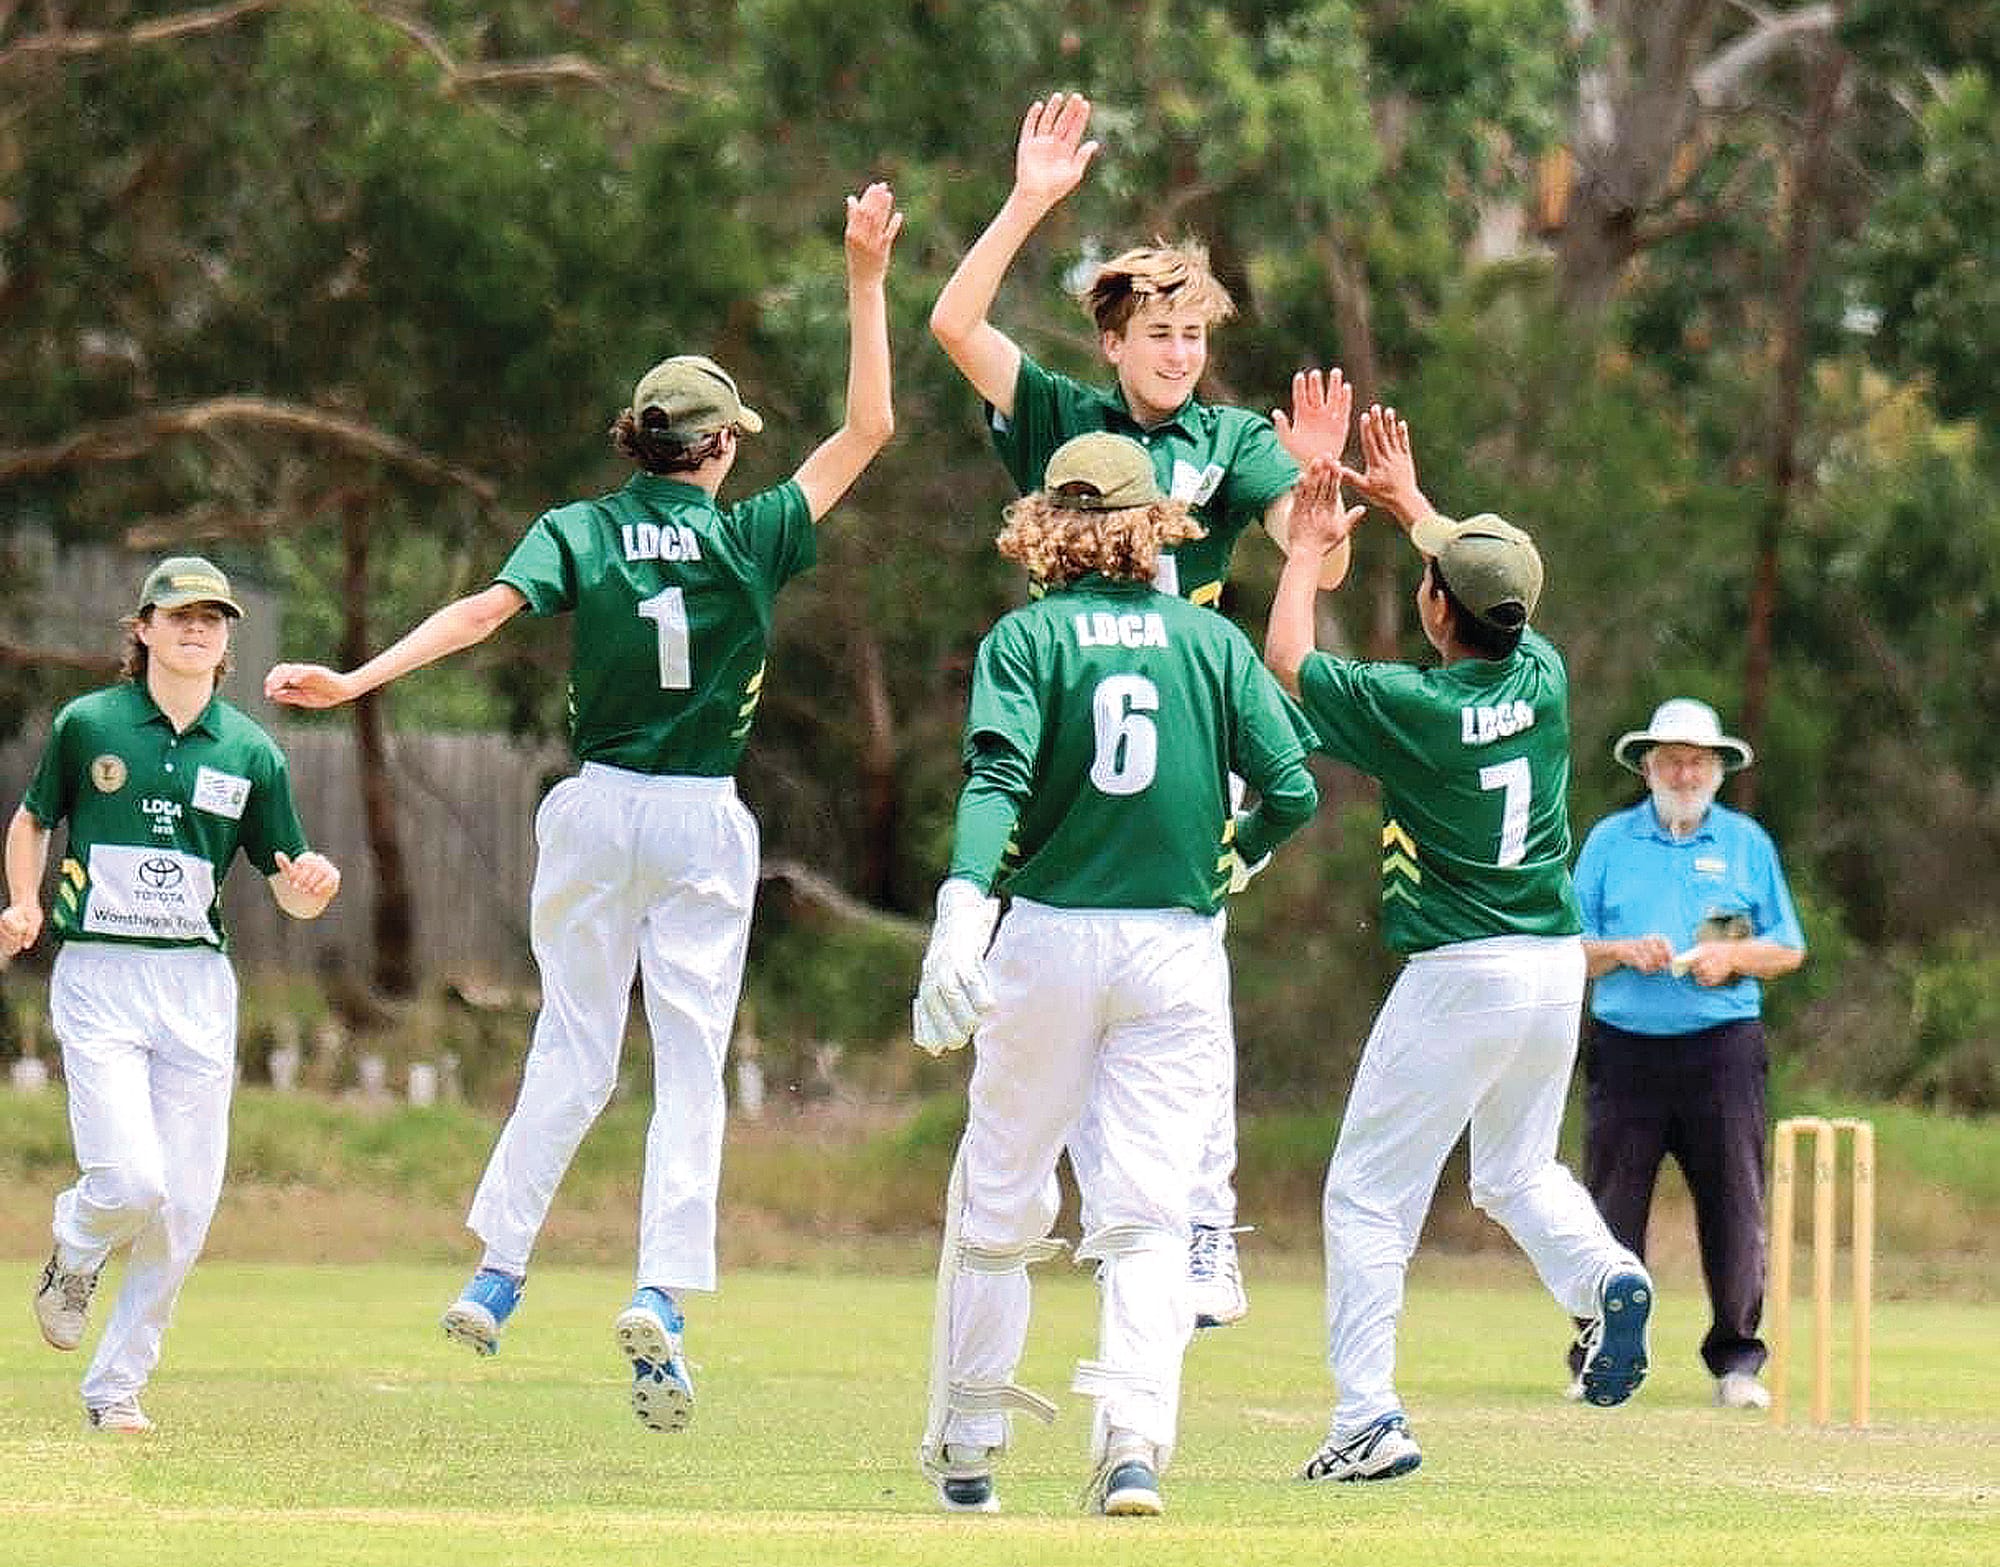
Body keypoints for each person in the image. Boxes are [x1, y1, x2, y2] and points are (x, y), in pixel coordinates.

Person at [263, 182, 902, 1433]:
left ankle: (498, 1273)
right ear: (713, 447)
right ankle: (661, 1294)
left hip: (595, 810)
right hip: (699, 815)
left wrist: (357, 679)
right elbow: (869, 426)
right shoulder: (754, 533)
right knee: (690, 1066)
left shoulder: (582, 528)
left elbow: (480, 613)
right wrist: (864, 279)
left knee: (573, 1044)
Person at [930, 89, 1352, 1328]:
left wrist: (1318, 514)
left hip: (1192, 728)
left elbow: (1298, 538)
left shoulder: (1227, 435)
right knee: (1095, 966)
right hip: (1075, 715)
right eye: (1158, 332)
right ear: (1113, 342)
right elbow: (954, 319)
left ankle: (1203, 1216)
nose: (1179, 353)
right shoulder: (1065, 419)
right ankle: (1072, 1201)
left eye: (1192, 335)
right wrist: (1028, 203)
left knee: (1187, 962)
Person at [911, 433, 1319, 1516]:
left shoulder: (1024, 636)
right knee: (1145, 1212)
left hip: (1045, 935)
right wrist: (1236, 850)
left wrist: (961, 901)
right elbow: (1290, 787)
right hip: (1173, 950)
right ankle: (1130, 1445)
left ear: (1049, 524)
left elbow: (996, 776)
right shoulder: (1208, 642)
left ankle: (970, 1442)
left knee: (1000, 1193)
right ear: (1158, 526)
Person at [1263, 409, 1653, 1483]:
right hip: (1549, 967)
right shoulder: (1544, 676)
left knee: (1364, 1196)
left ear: (1435, 608)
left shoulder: (1414, 706)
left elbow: (1288, 656)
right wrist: (1408, 506)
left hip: (1457, 970)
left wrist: (1304, 550)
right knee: (1517, 1168)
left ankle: (1364, 1419)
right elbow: (1483, 587)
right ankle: (1602, 1277)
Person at [3, 555, 342, 1434]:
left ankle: (116, 1387)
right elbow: (35, 816)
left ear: (227, 639)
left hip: (196, 983)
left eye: (213, 618)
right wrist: (23, 899)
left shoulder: (250, 750)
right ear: (143, 629)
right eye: (178, 614)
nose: (196, 628)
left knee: (185, 1205)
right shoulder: (89, 724)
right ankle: (75, 1245)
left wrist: (311, 884)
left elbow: (284, 879)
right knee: (130, 1182)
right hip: (102, 973)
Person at [1567, 698, 1806, 1410]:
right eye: (1670, 758)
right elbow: (1567, 952)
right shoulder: (1609, 842)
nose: (1683, 771)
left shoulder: (1745, 844)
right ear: (1646, 766)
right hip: (1626, 1051)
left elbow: (1788, 947)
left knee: (1734, 1202)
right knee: (1608, 1209)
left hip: (1721, 1052)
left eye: (1697, 759)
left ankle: (1737, 1360)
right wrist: (1620, 950)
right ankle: (1598, 1355)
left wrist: (1731, 957)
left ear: (1718, 770)